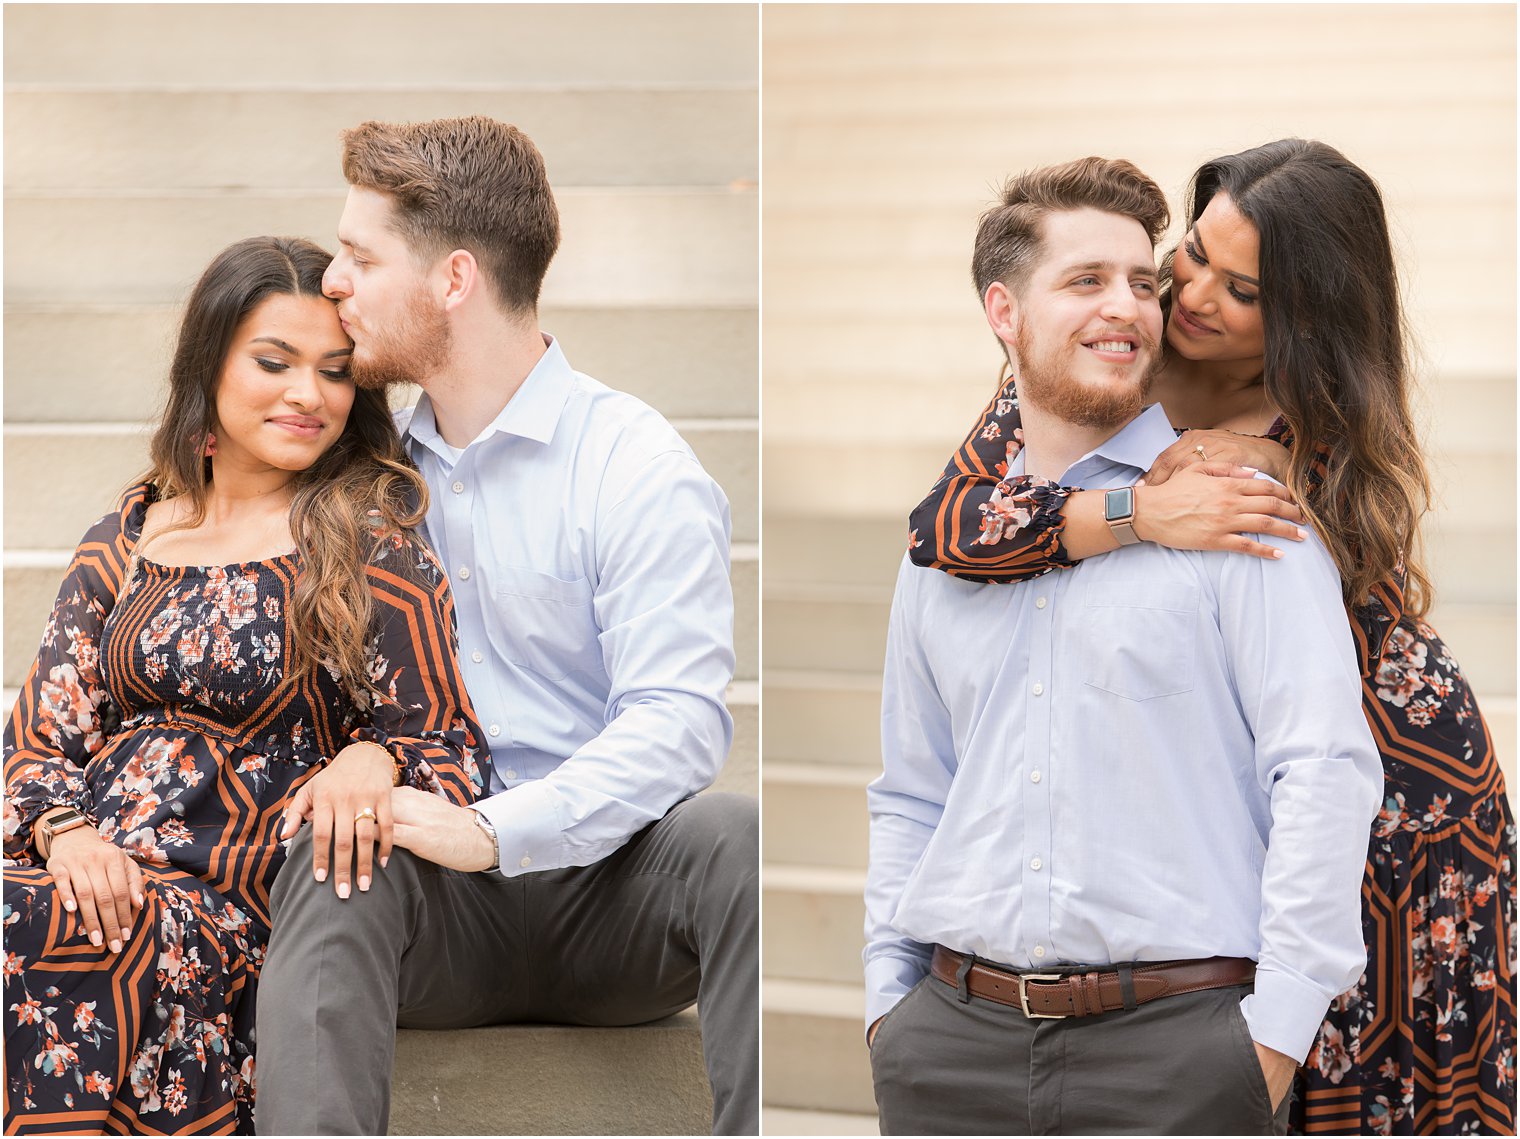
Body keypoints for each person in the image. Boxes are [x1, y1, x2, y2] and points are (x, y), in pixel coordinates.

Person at [906, 139, 1516, 1135]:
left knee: (1364, 1081)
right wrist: (1135, 513)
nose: (1187, 295)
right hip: (1247, 778)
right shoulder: (1102, 356)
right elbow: (946, 527)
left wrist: (1273, 467)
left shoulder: (1308, 430)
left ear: (1297, 321)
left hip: (1401, 798)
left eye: (1239, 289)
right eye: (1192, 254)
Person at [254, 116, 758, 1136]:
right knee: (333, 852)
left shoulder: (633, 463)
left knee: (737, 837)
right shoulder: (358, 472)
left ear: (454, 278)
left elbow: (679, 718)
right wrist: (364, 759)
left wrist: (495, 831)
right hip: (433, 910)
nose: (335, 283)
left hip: (611, 892)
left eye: (360, 255)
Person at [2, 236, 483, 1134]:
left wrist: (372, 756)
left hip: (227, 904)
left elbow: (449, 746)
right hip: (81, 865)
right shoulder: (129, 535)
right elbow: (36, 738)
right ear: (208, 363)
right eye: (275, 361)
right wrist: (67, 834)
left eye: (336, 373)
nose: (309, 394)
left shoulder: (364, 539)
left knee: (44, 930)